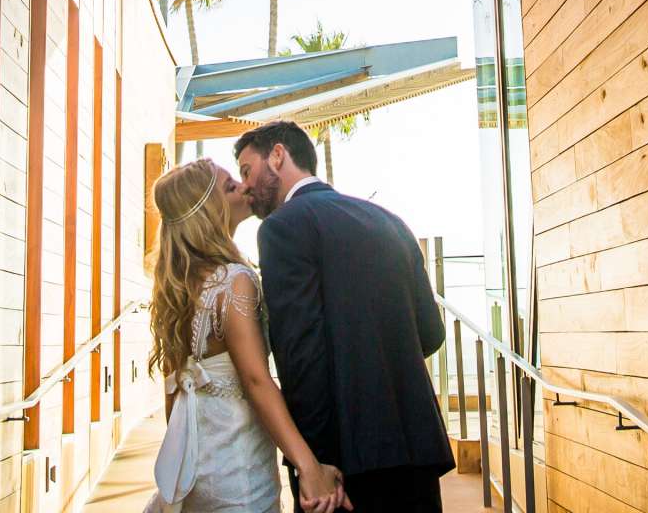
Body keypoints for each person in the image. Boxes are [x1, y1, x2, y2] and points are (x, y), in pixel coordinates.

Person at [237, 121, 454, 513]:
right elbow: (431, 334)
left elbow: (299, 356)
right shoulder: (389, 220)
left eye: (246, 170)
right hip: (416, 451)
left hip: (343, 465)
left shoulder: (282, 229)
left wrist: (314, 462)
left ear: (278, 155)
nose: (246, 186)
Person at [144, 157, 351, 513]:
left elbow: (174, 390)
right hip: (237, 471)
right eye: (230, 186)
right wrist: (309, 466)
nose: (244, 188)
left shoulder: (178, 289)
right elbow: (256, 380)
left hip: (193, 467)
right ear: (208, 210)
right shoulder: (234, 280)